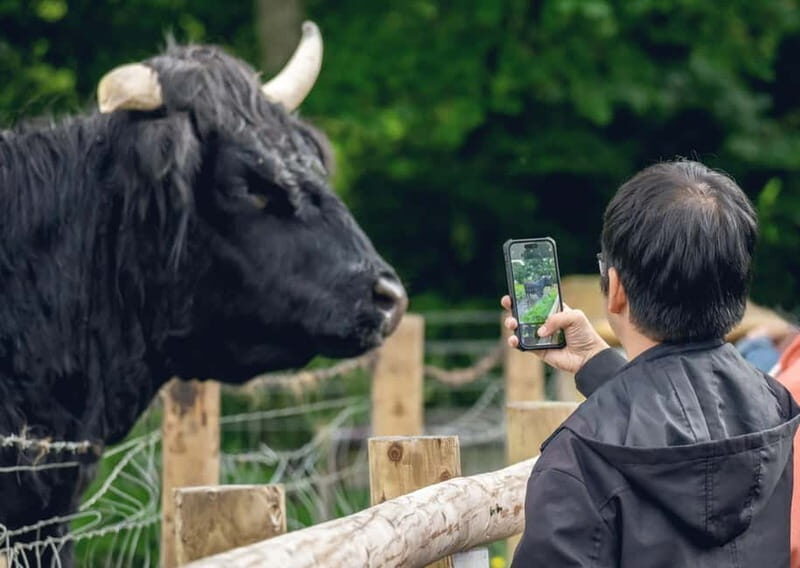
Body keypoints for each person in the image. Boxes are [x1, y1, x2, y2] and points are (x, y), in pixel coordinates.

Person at [502, 160, 800, 567]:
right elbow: (693, 427)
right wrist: (597, 365)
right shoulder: (774, 406)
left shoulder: (581, 456)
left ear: (616, 289)